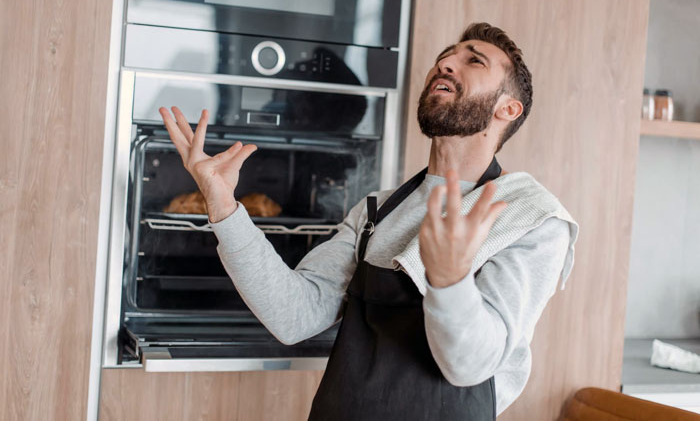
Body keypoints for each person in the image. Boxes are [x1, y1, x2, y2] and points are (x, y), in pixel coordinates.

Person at [159, 22, 578, 420]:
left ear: (508, 108)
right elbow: (293, 316)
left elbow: (470, 367)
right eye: (446, 56)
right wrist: (223, 207)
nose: (446, 63)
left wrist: (450, 280)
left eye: (474, 61)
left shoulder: (530, 219)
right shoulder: (378, 210)